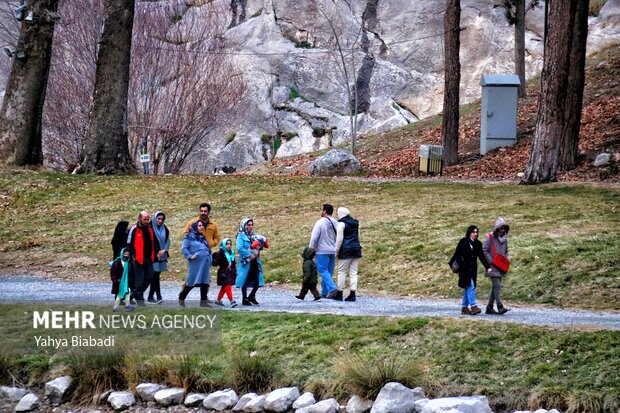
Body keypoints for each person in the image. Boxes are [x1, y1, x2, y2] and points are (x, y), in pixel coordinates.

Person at [182, 203, 220, 302]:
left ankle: (204, 299)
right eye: (201, 211)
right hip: (196, 256)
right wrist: (193, 246)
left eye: (205, 211)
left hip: (206, 253)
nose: (203, 213)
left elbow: (217, 237)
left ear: (208, 212)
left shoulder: (213, 225)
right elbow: (185, 235)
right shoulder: (193, 222)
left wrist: (211, 243)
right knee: (193, 278)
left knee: (205, 278)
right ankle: (182, 296)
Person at [449, 225, 490, 315]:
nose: (475, 234)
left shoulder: (478, 243)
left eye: (476, 232)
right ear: (469, 233)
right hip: (464, 269)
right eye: (473, 232)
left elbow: (482, 257)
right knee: (470, 286)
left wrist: (488, 267)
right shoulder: (463, 241)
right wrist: (461, 264)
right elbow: (457, 254)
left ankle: (464, 307)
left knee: (468, 287)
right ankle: (473, 306)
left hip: (473, 269)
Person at [127, 211, 159, 306]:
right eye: (144, 219)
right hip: (138, 259)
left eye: (147, 219)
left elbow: (154, 242)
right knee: (139, 281)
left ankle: (134, 294)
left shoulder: (150, 229)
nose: (146, 221)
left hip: (149, 258)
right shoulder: (134, 229)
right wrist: (133, 254)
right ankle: (140, 300)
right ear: (139, 219)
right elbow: (128, 244)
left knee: (150, 276)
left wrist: (157, 253)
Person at [179, 221, 213, 307]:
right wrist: (189, 256)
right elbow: (184, 248)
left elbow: (207, 249)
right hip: (196, 264)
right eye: (199, 226)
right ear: (195, 227)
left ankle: (203, 302)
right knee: (192, 281)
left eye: (202, 226)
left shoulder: (202, 238)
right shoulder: (189, 237)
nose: (202, 227)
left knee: (205, 282)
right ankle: (182, 297)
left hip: (205, 263)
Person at [309, 204, 339, 299]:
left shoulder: (320, 223)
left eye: (321, 209)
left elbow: (314, 238)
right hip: (333, 250)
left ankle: (333, 289)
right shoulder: (335, 222)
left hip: (322, 250)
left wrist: (311, 250)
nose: (320, 211)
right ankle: (324, 292)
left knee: (322, 270)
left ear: (325, 211)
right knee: (329, 271)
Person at [483, 217, 511, 315]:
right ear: (496, 228)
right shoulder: (490, 237)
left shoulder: (505, 239)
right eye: (500, 228)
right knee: (497, 285)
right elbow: (484, 250)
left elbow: (506, 251)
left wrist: (505, 260)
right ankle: (500, 306)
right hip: (492, 266)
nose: (502, 230)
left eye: (503, 228)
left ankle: (489, 307)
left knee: (495, 287)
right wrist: (491, 261)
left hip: (501, 266)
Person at [334, 207, 362, 302]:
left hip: (345, 250)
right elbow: (358, 236)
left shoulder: (341, 224)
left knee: (342, 271)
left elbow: (339, 239)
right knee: (354, 272)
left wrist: (337, 250)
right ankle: (352, 294)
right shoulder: (355, 222)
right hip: (356, 248)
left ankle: (339, 293)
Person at [235, 217, 265, 306]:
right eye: (248, 225)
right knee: (245, 278)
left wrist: (260, 247)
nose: (250, 227)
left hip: (255, 260)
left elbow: (259, 244)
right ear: (244, 225)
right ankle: (244, 298)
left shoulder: (253, 235)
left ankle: (252, 295)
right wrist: (249, 255)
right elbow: (239, 247)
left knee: (257, 278)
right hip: (246, 261)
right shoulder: (240, 236)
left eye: (252, 225)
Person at [148, 211, 169, 304]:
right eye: (158, 219)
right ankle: (158, 296)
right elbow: (149, 242)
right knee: (155, 276)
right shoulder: (149, 228)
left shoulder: (165, 229)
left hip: (162, 256)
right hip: (153, 256)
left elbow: (168, 240)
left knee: (156, 276)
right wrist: (156, 252)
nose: (160, 221)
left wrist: (164, 250)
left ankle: (151, 296)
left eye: (162, 219)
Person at [212, 238, 238, 308]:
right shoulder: (220, 253)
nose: (228, 246)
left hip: (230, 272)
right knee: (227, 285)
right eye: (227, 244)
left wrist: (234, 271)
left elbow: (233, 263)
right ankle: (231, 300)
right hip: (223, 272)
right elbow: (215, 262)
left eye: (230, 244)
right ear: (223, 245)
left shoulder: (231, 253)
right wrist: (214, 258)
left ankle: (218, 300)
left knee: (224, 287)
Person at [110, 248, 134, 312]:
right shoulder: (117, 262)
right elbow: (113, 273)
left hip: (125, 282)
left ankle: (127, 305)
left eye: (127, 254)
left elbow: (129, 273)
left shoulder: (128, 263)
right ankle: (116, 307)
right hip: (119, 282)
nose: (126, 256)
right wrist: (116, 280)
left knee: (127, 291)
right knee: (119, 294)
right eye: (125, 254)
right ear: (122, 254)